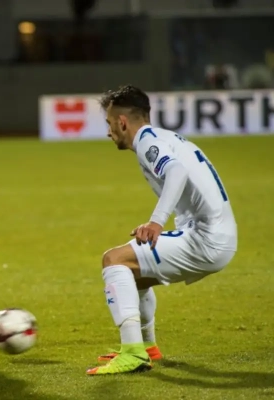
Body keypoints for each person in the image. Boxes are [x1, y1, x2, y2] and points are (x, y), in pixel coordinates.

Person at [86, 85, 237, 375]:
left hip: (206, 237)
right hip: (216, 233)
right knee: (132, 274)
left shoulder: (146, 141)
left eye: (109, 123)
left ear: (122, 122)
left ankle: (133, 354)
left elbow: (176, 171)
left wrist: (156, 221)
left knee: (114, 260)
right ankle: (147, 347)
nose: (108, 132)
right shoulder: (163, 137)